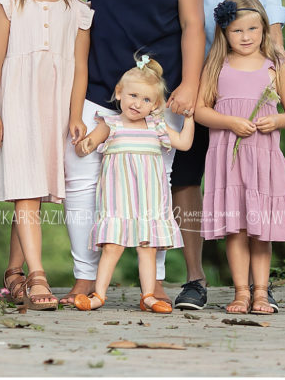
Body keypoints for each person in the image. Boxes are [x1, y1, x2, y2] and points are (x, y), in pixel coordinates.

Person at [61, 0, 208, 307]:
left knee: (153, 189)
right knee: (82, 183)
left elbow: (193, 26)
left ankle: (155, 283)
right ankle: (85, 279)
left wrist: (190, 87)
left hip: (156, 92)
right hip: (96, 76)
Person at [165, 0, 285, 311]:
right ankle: (195, 278)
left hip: (239, 42)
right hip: (179, 43)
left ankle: (258, 283)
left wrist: (273, 46)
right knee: (187, 164)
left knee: (255, 155)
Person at [0, 0, 93, 311]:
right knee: (26, 190)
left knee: (33, 192)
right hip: (16, 105)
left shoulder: (77, 11)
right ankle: (38, 274)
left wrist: (76, 113)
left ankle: (13, 272)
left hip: (56, 108)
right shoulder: (9, 1)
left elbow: (80, 68)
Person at [196, 0, 285, 314]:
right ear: (225, 33)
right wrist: (228, 122)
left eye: (253, 29)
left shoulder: (276, 66)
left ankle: (261, 292)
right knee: (236, 227)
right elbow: (201, 111)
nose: (246, 37)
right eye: (237, 31)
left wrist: (278, 120)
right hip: (228, 160)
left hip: (262, 159)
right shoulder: (217, 65)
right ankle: (241, 292)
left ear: (264, 29)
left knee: (260, 227)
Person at [72, 57, 195, 313]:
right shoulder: (111, 125)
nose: (137, 103)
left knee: (147, 249)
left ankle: (148, 295)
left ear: (156, 105)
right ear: (119, 93)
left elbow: (184, 143)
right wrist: (84, 143)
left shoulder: (157, 126)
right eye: (132, 95)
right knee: (112, 247)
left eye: (147, 100)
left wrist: (189, 118)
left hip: (149, 203)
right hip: (118, 203)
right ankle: (98, 295)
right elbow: (88, 146)